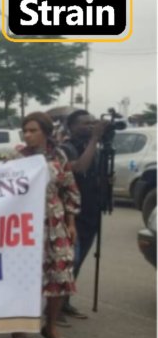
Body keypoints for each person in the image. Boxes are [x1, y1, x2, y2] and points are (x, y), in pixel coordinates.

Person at [11, 112, 81, 338]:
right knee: (25, 276)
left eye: (33, 130)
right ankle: (20, 325)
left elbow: (69, 188)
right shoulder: (17, 158)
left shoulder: (59, 156)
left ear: (46, 132)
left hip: (55, 223)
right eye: (25, 131)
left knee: (60, 277)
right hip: (26, 226)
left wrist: (70, 222)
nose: (28, 135)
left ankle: (50, 326)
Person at [58, 110, 109, 321]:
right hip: (72, 213)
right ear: (71, 127)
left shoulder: (93, 148)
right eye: (84, 124)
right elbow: (78, 169)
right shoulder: (65, 148)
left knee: (79, 261)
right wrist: (95, 138)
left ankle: (65, 301)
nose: (89, 127)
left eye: (92, 123)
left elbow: (93, 172)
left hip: (90, 210)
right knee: (70, 261)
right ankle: (54, 308)